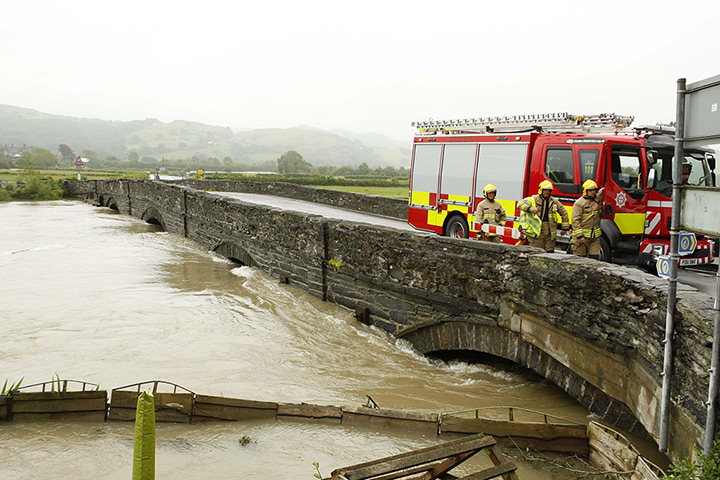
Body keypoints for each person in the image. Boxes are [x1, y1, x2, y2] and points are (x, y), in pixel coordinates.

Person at [518, 180, 569, 252]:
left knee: (549, 253)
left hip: (550, 232)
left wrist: (565, 228)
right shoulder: (533, 199)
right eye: (545, 190)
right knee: (536, 252)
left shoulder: (554, 201)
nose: (547, 192)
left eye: (549, 190)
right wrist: (531, 209)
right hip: (538, 232)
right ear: (541, 190)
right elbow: (520, 204)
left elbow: (564, 213)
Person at [571, 179, 605, 259]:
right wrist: (580, 236)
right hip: (582, 239)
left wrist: (601, 194)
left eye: (594, 190)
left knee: (594, 259)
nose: (593, 192)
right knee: (580, 261)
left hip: (594, 238)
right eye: (590, 190)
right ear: (585, 191)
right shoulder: (579, 203)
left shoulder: (597, 201)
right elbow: (575, 221)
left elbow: (601, 210)